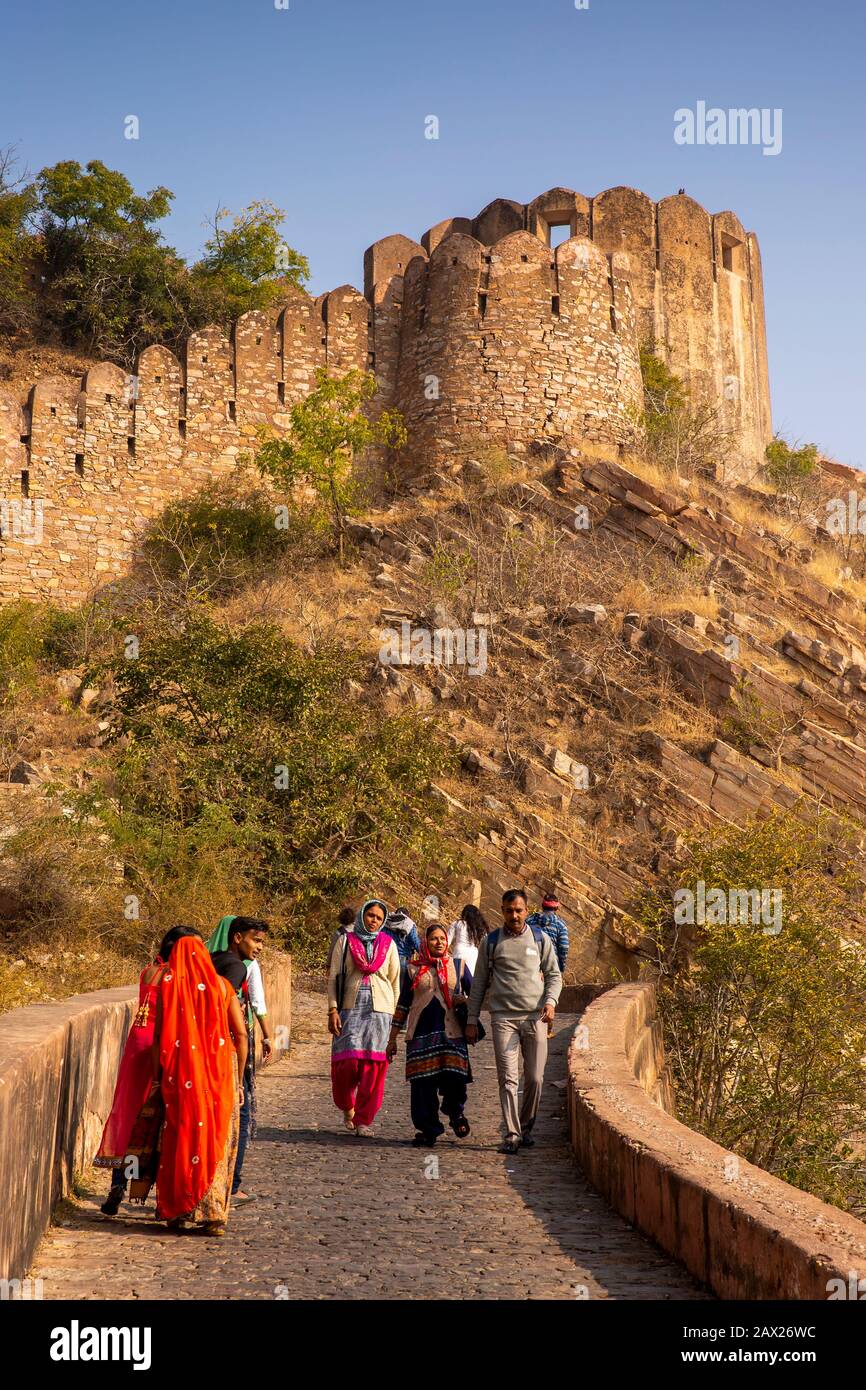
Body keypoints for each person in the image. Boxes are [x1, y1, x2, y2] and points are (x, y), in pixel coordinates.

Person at [125, 933, 247, 1237]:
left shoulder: (170, 987)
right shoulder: (222, 987)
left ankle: (177, 1211)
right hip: (219, 1075)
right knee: (215, 1137)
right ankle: (213, 1213)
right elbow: (241, 1035)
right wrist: (239, 1078)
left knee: (180, 1137)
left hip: (179, 1076)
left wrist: (156, 1078)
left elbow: (158, 1037)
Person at [95, 925, 199, 1216]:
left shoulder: (148, 971)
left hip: (135, 1045)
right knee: (163, 1120)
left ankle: (118, 1182)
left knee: (130, 1114)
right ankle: (164, 1196)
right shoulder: (176, 978)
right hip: (159, 1045)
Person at [465, 888, 562, 1155]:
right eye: (509, 911)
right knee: (508, 1079)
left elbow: (554, 975)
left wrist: (551, 1002)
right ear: (502, 911)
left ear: (526, 911)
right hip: (503, 1018)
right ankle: (512, 1133)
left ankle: (526, 1127)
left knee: (535, 1078)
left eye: (519, 910)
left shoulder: (540, 940)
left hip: (535, 1018)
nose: (514, 915)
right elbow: (479, 984)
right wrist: (472, 1018)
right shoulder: (492, 942)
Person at [386, 922, 474, 1147]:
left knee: (456, 1079)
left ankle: (455, 1113)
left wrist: (467, 1004)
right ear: (425, 942)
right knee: (422, 1087)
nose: (439, 942)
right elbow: (403, 1005)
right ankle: (429, 1129)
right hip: (421, 1037)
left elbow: (477, 994)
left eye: (443, 939)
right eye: (434, 939)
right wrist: (392, 1038)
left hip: (451, 1034)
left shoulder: (459, 965)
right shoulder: (412, 969)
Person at [207, 915, 271, 1203]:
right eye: (255, 940)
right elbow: (232, 1016)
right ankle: (230, 1184)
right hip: (229, 1052)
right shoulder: (235, 967)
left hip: (206, 1050)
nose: (259, 947)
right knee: (239, 1117)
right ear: (237, 937)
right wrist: (242, 1066)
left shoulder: (212, 959)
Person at [327, 898, 400, 1136]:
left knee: (373, 1066)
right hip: (350, 1008)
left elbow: (394, 981)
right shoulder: (345, 942)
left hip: (380, 1012)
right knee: (346, 1062)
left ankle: (363, 1120)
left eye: (379, 918)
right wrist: (333, 1009)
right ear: (362, 916)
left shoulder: (388, 944)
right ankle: (347, 1105)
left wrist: (394, 1017)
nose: (374, 921)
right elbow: (333, 976)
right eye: (370, 916)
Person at [526, 892, 569, 1038]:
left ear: (542, 905)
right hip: (551, 964)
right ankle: (547, 1029)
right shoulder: (560, 924)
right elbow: (563, 947)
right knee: (548, 996)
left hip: (531, 962)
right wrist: (561, 967)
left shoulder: (530, 919)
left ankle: (528, 1025)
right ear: (557, 908)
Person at [446, 903, 490, 977]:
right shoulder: (481, 928)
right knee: (470, 981)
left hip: (459, 952)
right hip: (473, 954)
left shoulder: (457, 923)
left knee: (457, 979)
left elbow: (447, 942)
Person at [383, 906, 421, 987]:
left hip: (384, 955)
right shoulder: (409, 923)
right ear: (407, 916)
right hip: (401, 958)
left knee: (383, 982)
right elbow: (416, 943)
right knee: (397, 985)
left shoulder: (386, 921)